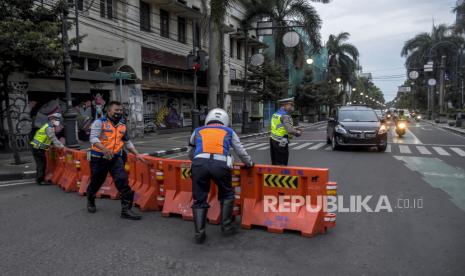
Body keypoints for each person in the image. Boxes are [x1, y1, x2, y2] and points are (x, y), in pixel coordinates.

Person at [187, 108, 254, 244]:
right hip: (221, 165)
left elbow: (190, 151)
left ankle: (199, 233)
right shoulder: (229, 131)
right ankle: (226, 226)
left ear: (208, 119)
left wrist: (196, 161)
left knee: (199, 199)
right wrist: (249, 163)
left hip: (199, 165)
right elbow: (240, 151)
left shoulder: (198, 130)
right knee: (227, 194)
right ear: (225, 121)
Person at [87, 101, 145, 220]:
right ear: (109, 111)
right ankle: (90, 200)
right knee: (96, 182)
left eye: (120, 110)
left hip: (115, 158)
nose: (119, 112)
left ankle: (126, 210)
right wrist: (104, 149)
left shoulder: (122, 125)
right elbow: (93, 138)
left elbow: (127, 142)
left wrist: (137, 154)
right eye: (116, 110)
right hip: (99, 158)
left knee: (123, 182)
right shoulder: (99, 122)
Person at [30, 113, 65, 185]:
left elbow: (48, 139)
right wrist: (62, 147)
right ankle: (40, 180)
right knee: (42, 164)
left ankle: (38, 179)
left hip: (37, 147)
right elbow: (53, 139)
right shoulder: (49, 127)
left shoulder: (48, 126)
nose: (58, 121)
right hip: (38, 148)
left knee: (40, 163)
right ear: (52, 120)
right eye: (57, 120)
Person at [270, 97, 302, 166]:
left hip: (273, 140)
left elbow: (279, 126)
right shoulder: (285, 116)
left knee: (275, 163)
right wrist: (297, 132)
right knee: (282, 163)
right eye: (291, 105)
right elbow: (289, 130)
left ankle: (275, 175)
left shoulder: (276, 114)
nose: (292, 107)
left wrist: (293, 127)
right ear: (285, 105)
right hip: (281, 142)